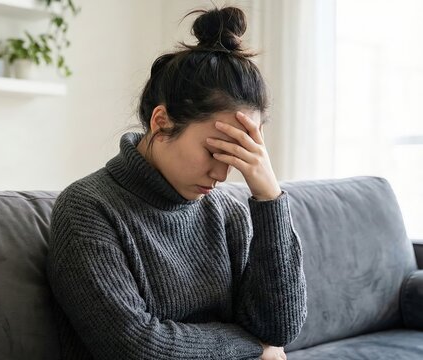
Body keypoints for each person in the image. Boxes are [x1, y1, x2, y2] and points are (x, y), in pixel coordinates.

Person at [46, 5, 307, 360]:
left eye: (240, 155)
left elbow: (281, 329)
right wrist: (252, 345)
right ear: (161, 122)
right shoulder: (88, 208)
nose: (222, 174)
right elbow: (135, 347)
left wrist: (269, 196)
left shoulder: (227, 210)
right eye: (214, 151)